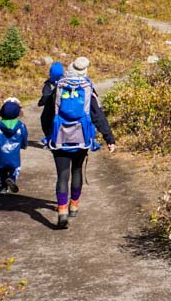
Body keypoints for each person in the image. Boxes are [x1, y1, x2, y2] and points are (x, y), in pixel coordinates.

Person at [39, 56, 115, 229]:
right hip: (81, 138)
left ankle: (62, 212)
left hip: (59, 138)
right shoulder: (87, 88)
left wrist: (49, 134)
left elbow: (45, 116)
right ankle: (74, 205)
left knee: (62, 175)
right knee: (77, 170)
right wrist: (109, 138)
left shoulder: (58, 86)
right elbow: (98, 116)